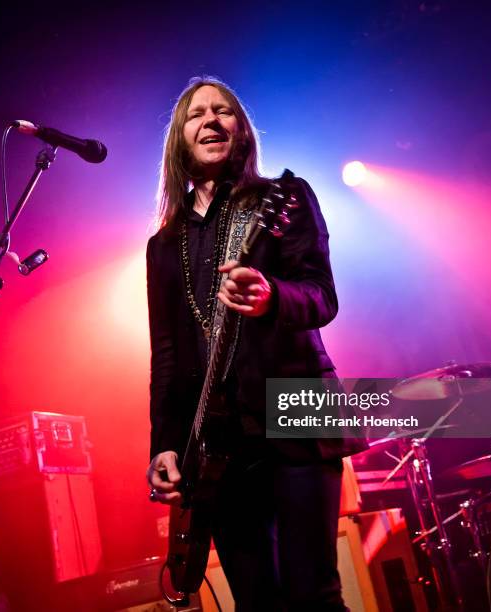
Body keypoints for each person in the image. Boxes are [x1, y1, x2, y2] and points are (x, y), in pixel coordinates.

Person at [145, 77, 366, 611]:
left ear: (241, 131)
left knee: (313, 590)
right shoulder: (163, 244)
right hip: (218, 439)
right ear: (180, 138)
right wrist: (164, 444)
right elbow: (167, 355)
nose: (211, 120)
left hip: (301, 406)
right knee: (255, 600)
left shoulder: (282, 197)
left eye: (224, 111)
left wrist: (272, 297)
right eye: (197, 114)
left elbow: (322, 296)